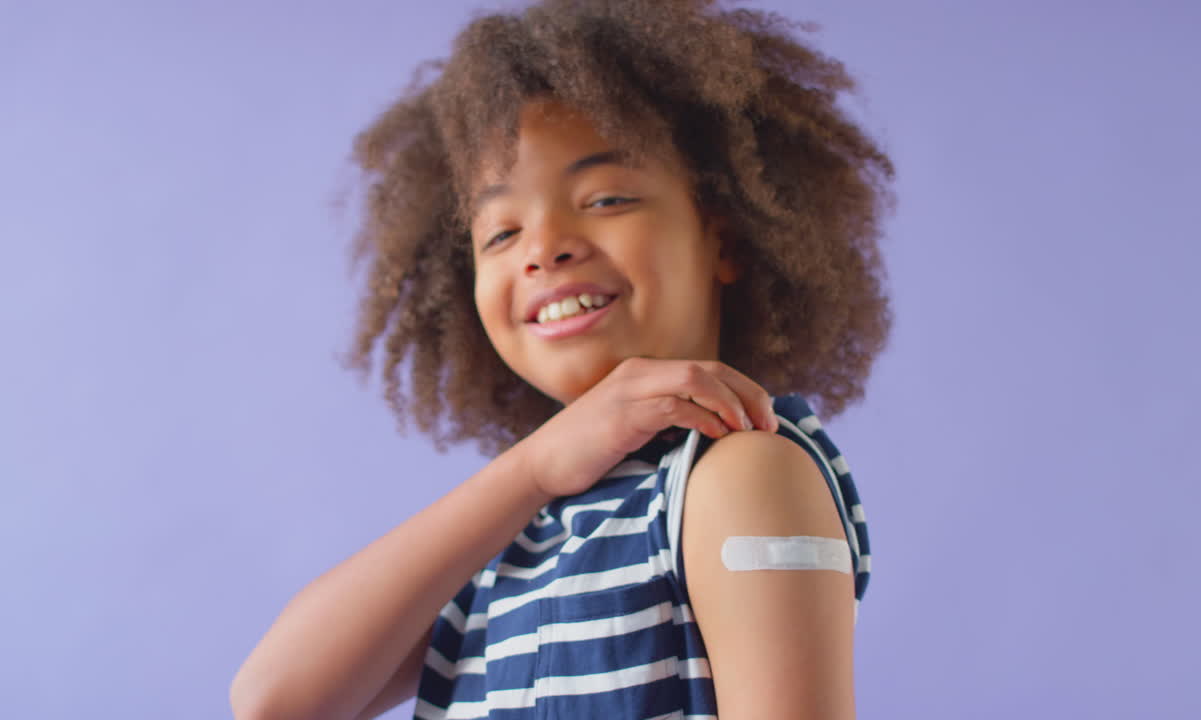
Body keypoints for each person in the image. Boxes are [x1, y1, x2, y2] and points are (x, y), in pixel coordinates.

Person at [230, 0, 894, 718]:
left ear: (725, 241)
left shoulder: (742, 471)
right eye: (500, 233)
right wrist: (534, 470)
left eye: (605, 199)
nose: (544, 248)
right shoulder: (514, 531)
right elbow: (274, 701)